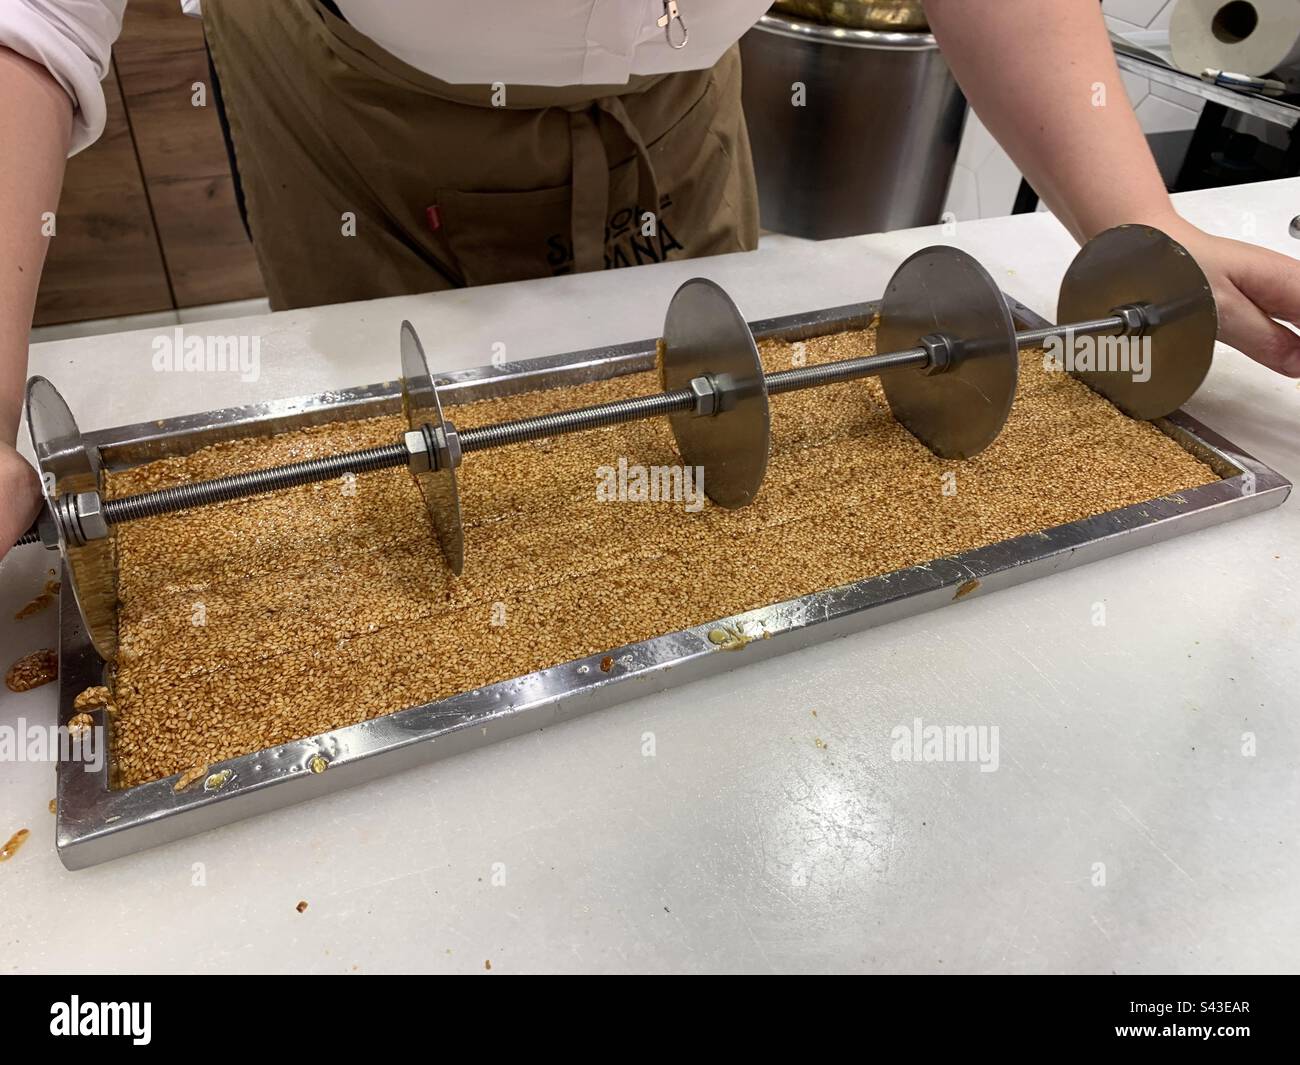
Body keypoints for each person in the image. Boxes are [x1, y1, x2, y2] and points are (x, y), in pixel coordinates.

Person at [2, 0, 1299, 560]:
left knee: (699, 486)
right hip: (372, 100)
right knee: (394, 503)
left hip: (675, 94)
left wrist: (1134, 222)